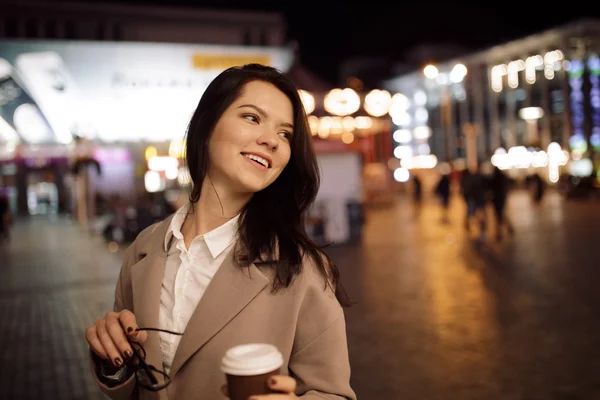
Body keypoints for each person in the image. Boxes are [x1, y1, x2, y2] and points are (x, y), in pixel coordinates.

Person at [85, 64, 356, 400]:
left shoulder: (302, 269)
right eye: (253, 117)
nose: (271, 140)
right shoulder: (144, 248)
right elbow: (139, 386)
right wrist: (114, 361)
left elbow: (333, 394)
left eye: (285, 134)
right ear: (207, 123)